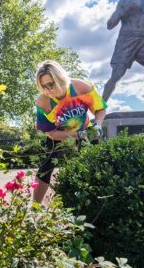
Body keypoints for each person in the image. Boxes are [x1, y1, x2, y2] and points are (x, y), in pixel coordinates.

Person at [34, 60, 107, 204]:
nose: (48, 90)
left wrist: (97, 125)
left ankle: (95, 201)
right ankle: (34, 208)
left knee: (93, 162)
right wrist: (76, 135)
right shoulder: (43, 102)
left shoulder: (80, 87)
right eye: (43, 86)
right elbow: (51, 133)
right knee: (46, 166)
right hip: (57, 133)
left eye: (51, 84)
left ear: (60, 78)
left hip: (84, 128)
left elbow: (100, 108)